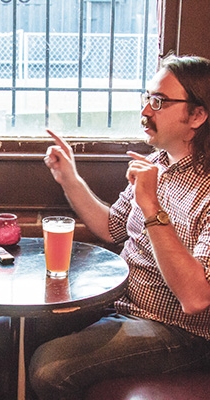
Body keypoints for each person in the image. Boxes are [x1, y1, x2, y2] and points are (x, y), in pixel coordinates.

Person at [28, 53, 210, 399]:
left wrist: (151, 206)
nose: (145, 111)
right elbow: (112, 227)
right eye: (147, 99)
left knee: (49, 367)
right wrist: (69, 178)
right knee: (9, 328)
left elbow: (196, 298)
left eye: (159, 102)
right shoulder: (157, 163)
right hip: (121, 300)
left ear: (197, 115)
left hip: (182, 332)